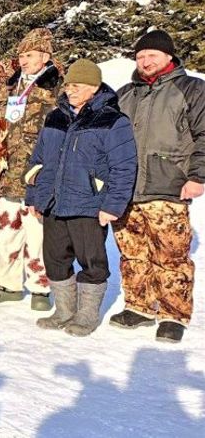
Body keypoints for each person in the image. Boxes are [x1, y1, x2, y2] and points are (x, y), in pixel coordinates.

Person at [26, 59, 137, 337]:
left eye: (77, 86)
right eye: (68, 85)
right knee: (54, 258)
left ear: (94, 87)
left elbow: (124, 166)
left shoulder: (113, 120)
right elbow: (37, 161)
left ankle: (86, 315)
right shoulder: (55, 116)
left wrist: (112, 206)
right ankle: (64, 310)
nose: (70, 90)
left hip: (89, 204)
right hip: (53, 202)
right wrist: (34, 197)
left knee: (92, 261)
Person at [110, 30, 205, 343]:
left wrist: (198, 177)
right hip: (127, 188)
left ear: (168, 56)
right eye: (140, 56)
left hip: (169, 185)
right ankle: (138, 306)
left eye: (151, 55)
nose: (145, 61)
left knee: (170, 255)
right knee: (132, 252)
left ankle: (172, 314)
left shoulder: (190, 88)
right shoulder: (125, 93)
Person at [0, 29, 62, 311]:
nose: (23, 61)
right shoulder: (6, 88)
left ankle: (40, 287)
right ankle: (7, 284)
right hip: (5, 173)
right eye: (21, 55)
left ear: (45, 56)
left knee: (38, 234)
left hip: (39, 176)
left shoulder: (57, 89)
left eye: (30, 55)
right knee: (6, 232)